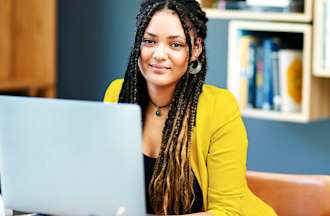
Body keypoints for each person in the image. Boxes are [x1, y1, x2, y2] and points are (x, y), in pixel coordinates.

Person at [104, 0, 277, 215]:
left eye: (175, 44)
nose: (159, 54)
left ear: (196, 49)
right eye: (149, 41)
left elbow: (226, 211)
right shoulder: (118, 94)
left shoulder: (219, 108)